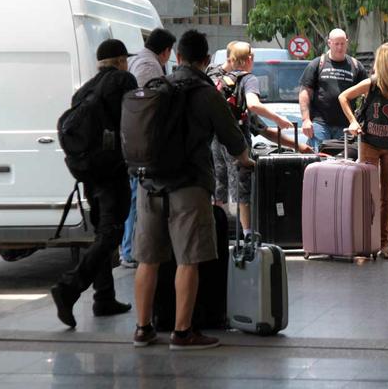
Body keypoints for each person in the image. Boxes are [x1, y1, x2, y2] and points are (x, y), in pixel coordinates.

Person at [132, 30, 254, 350]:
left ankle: (143, 329)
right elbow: (233, 140)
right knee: (189, 260)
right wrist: (245, 160)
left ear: (178, 57)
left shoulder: (157, 87)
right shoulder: (206, 92)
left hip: (150, 184)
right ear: (205, 61)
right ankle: (183, 332)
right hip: (188, 185)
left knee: (149, 259)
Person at [51, 39, 139, 328]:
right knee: (111, 234)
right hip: (112, 169)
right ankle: (69, 287)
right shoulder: (124, 81)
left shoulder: (83, 90)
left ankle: (104, 297)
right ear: (120, 60)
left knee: (103, 232)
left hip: (89, 172)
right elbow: (133, 121)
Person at [339, 43, 388, 259]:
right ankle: (364, 240)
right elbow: (343, 97)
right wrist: (353, 122)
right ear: (385, 61)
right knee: (367, 194)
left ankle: (384, 243)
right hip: (369, 143)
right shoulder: (372, 84)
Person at [221, 41, 294, 237]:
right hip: (237, 140)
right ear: (250, 59)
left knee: (219, 189)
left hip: (216, 140)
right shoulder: (248, 79)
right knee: (243, 189)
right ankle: (247, 234)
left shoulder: (221, 78)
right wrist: (278, 118)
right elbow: (253, 104)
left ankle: (217, 232)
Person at [121, 28, 177, 269]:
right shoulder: (148, 66)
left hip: (134, 143)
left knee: (135, 197)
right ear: (165, 51)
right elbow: (147, 107)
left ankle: (129, 248)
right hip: (142, 145)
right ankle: (130, 250)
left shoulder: (138, 60)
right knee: (136, 198)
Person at [299, 29, 368, 152]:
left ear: (347, 43)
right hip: (320, 124)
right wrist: (305, 120)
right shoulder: (317, 64)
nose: (340, 47)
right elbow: (305, 92)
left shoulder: (356, 66)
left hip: (346, 126)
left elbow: (367, 92)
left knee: (344, 163)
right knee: (319, 160)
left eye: (342, 43)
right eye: (336, 44)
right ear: (329, 43)